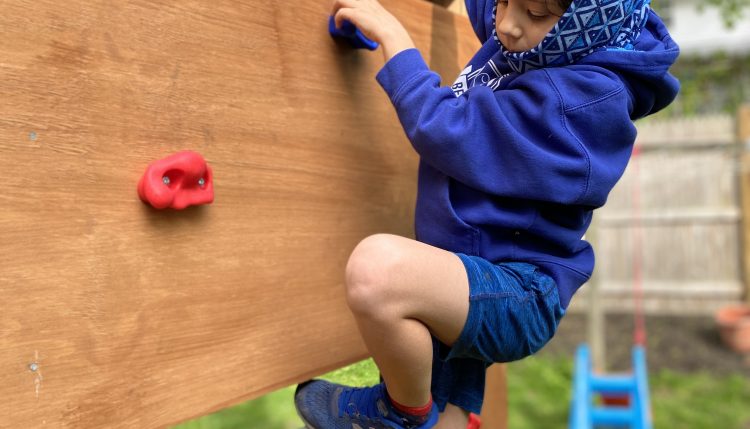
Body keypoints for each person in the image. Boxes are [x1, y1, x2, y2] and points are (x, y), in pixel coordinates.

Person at [295, 0, 680, 428]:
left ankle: (399, 414)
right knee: (449, 417)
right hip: (469, 265)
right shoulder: (537, 36)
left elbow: (448, 127)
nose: (508, 27)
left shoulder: (583, 101)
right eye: (504, 3)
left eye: (535, 15)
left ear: (588, 24)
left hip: (516, 289)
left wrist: (393, 36)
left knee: (377, 272)